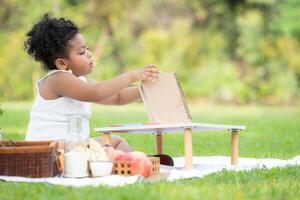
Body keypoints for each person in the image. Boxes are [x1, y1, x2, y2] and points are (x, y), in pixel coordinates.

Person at [24, 13, 159, 152]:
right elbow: (96, 93)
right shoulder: (56, 79)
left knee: (116, 143)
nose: (89, 53)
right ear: (62, 63)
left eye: (87, 48)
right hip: (47, 149)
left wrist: (146, 90)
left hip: (70, 147)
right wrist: (131, 76)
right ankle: (133, 166)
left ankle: (134, 166)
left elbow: (117, 97)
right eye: (82, 52)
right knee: (112, 147)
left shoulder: (81, 81)